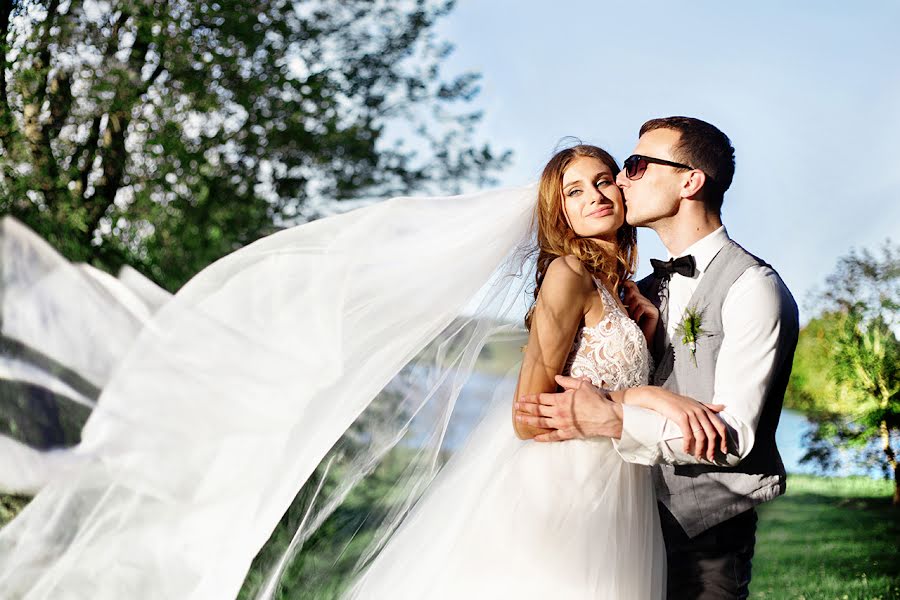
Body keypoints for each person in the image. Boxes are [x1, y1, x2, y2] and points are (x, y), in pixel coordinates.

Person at [344, 144, 726, 599]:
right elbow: (526, 417)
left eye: (604, 181)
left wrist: (647, 335)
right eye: (575, 191)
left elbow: (607, 377)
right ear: (560, 213)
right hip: (563, 485)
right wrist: (650, 397)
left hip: (619, 481)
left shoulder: (618, 289)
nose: (596, 196)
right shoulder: (567, 272)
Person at [516, 117, 800, 599]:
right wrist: (642, 390)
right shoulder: (638, 294)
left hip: (706, 529)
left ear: (689, 181)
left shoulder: (752, 287)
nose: (622, 181)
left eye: (635, 166)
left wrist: (613, 417)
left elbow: (737, 436)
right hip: (616, 508)